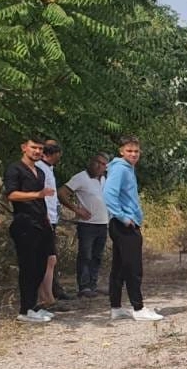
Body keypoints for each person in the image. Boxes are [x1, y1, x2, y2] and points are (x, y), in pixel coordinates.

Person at [103, 134, 163, 322]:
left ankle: (116, 307)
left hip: (125, 222)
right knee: (133, 266)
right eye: (129, 151)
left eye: (136, 151)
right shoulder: (120, 169)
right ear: (121, 151)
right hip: (124, 224)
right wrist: (123, 217)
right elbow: (108, 194)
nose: (133, 154)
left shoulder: (127, 169)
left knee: (120, 266)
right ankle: (138, 308)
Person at [3, 136, 57, 323]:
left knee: (41, 265)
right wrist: (36, 194)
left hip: (41, 223)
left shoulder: (40, 173)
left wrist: (47, 218)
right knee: (28, 267)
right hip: (24, 223)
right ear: (24, 147)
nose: (37, 151)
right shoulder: (15, 169)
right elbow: (11, 194)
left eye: (40, 149)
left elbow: (41, 200)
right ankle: (24, 310)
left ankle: (34, 306)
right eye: (34, 147)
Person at [60, 153, 110, 298]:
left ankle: (92, 285)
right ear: (91, 161)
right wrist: (76, 209)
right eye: (97, 162)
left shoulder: (104, 180)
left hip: (102, 223)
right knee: (85, 255)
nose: (99, 166)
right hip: (87, 224)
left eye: (103, 164)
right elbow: (62, 193)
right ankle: (83, 286)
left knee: (97, 256)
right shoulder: (81, 177)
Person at [35, 141, 74, 308]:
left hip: (50, 218)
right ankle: (46, 297)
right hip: (43, 219)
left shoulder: (48, 169)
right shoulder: (39, 169)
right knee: (47, 259)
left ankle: (48, 295)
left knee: (49, 259)